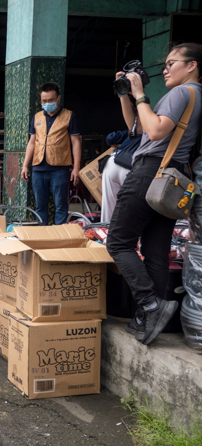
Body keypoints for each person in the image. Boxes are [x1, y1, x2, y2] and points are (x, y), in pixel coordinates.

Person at [107, 42, 202, 346]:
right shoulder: (193, 96)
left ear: (193, 66)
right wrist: (127, 94)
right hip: (171, 179)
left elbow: (157, 131)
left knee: (118, 242)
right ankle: (146, 319)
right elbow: (138, 127)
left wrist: (140, 94)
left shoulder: (183, 92)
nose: (165, 69)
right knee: (156, 250)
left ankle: (149, 304)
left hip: (152, 171)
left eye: (172, 62)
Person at [20, 82, 82, 225]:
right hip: (38, 168)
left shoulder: (69, 116)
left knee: (61, 206)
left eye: (50, 100)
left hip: (60, 169)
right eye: (44, 101)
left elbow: (76, 143)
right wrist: (25, 165)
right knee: (40, 206)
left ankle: (59, 235)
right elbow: (32, 142)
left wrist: (76, 168)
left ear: (58, 99)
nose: (47, 103)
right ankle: (42, 234)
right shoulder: (36, 117)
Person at [100, 127, 143, 223]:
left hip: (113, 162)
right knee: (134, 212)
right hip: (134, 165)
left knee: (108, 213)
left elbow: (110, 138)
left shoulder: (135, 129)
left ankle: (104, 236)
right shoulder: (160, 129)